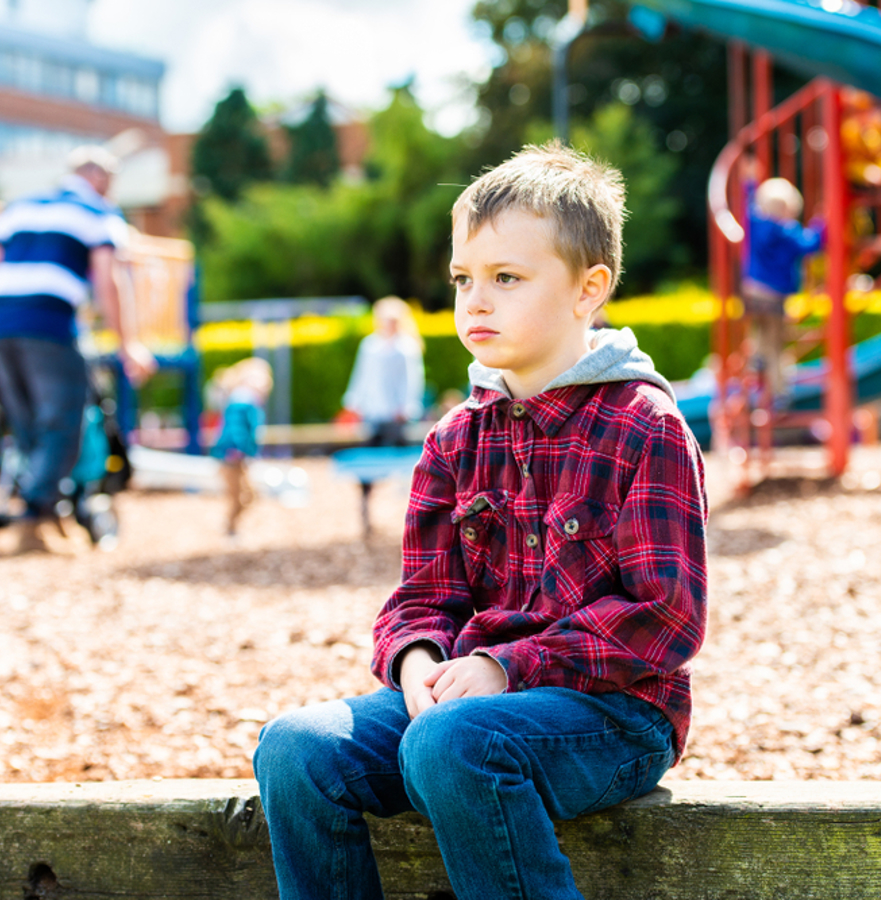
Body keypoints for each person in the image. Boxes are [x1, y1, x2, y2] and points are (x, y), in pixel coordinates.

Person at [253, 141, 708, 900]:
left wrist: (508, 666)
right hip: (464, 711)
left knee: (451, 743)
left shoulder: (644, 425)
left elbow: (665, 617)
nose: (477, 301)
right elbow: (422, 599)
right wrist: (416, 664)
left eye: (507, 278)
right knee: (295, 749)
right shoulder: (454, 438)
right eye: (464, 278)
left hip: (616, 715)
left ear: (587, 290)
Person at [0, 144, 155, 551]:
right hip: (48, 325)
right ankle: (36, 514)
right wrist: (128, 344)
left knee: (24, 424)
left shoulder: (20, 207)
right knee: (64, 420)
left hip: (0, 327)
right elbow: (108, 280)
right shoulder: (98, 213)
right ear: (99, 179)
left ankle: (43, 512)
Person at [741, 165, 824, 400]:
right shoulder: (787, 231)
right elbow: (811, 244)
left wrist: (748, 184)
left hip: (752, 291)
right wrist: (823, 222)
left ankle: (755, 371)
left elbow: (746, 203)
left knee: (759, 335)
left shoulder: (754, 222)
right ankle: (779, 392)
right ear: (788, 209)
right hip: (775, 296)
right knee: (776, 345)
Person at [342, 295, 425, 447]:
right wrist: (354, 403)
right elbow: (361, 375)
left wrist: (407, 407)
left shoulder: (407, 347)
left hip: (397, 414)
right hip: (372, 412)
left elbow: (413, 380)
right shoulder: (369, 345)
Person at [209, 356, 273, 535]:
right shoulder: (243, 400)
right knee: (240, 495)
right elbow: (235, 427)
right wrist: (237, 448)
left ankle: (233, 528)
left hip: (237, 454)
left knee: (246, 495)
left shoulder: (244, 399)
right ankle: (230, 529)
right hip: (233, 454)